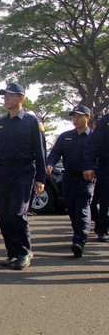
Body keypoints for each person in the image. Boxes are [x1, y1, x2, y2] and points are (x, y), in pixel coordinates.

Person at [0, 83, 46, 270]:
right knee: (4, 216)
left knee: (17, 212)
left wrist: (41, 178)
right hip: (4, 172)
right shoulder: (0, 124)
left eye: (11, 95)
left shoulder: (32, 122)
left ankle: (24, 251)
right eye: (4, 95)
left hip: (24, 171)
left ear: (21, 98)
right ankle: (12, 253)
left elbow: (40, 152)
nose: (6, 98)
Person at [46, 105, 94, 257]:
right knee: (72, 209)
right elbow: (55, 153)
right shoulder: (65, 136)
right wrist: (50, 164)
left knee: (82, 207)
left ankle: (79, 240)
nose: (76, 120)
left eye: (79, 116)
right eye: (74, 117)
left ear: (88, 117)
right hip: (69, 178)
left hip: (86, 179)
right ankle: (78, 233)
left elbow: (102, 157)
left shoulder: (95, 137)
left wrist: (92, 168)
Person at [84, 112, 109, 242]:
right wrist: (89, 165)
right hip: (105, 168)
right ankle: (102, 229)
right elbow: (94, 144)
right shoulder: (106, 120)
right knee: (104, 202)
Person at [89, 112, 105, 235]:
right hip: (93, 175)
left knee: (105, 203)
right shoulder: (90, 137)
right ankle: (99, 221)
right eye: (96, 123)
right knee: (91, 204)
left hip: (104, 174)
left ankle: (102, 229)